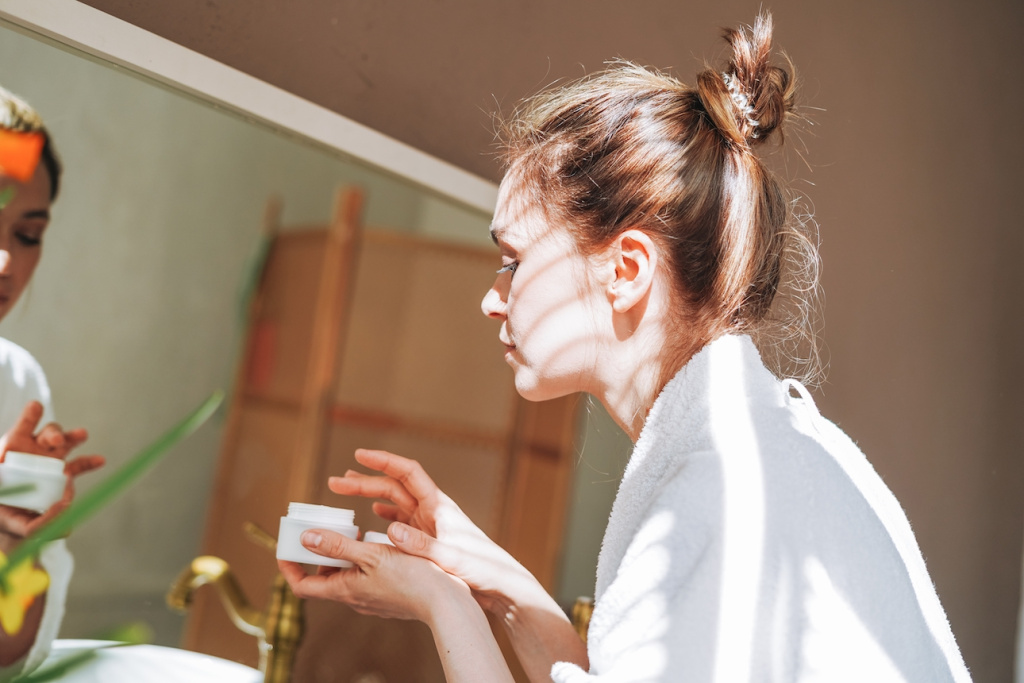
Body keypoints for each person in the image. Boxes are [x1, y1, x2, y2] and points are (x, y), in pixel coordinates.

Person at [280, 14, 972, 682]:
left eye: (515, 262)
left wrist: (443, 602)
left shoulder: (716, 497)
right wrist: (494, 580)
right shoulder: (765, 453)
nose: (493, 296)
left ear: (628, 269)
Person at [0, 85, 104, 679]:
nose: (6, 263)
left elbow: (9, 662)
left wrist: (16, 538)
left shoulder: (17, 382)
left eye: (27, 234)